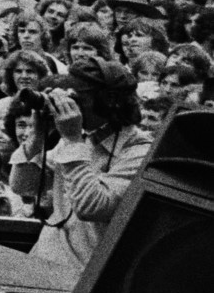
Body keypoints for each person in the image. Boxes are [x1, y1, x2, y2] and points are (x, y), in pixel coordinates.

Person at [28, 58, 152, 276]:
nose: (70, 107)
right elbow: (23, 185)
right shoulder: (80, 138)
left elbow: (92, 207)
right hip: (42, 262)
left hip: (83, 278)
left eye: (76, 98)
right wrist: (36, 138)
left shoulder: (139, 152)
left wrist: (72, 140)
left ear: (108, 101)